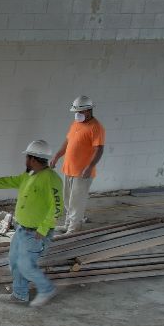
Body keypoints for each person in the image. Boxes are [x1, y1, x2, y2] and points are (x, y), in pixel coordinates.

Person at [0, 139, 64, 307]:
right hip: (22, 230)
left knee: (26, 266)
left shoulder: (51, 179)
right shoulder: (29, 175)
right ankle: (20, 294)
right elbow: (8, 181)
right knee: (14, 262)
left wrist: (44, 228)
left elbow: (57, 207)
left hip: (36, 233)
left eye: (27, 157)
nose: (25, 160)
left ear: (33, 159)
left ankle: (47, 289)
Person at [49, 95, 106, 234]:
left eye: (79, 112)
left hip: (82, 172)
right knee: (68, 200)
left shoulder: (96, 127)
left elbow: (99, 149)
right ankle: (68, 224)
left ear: (88, 110)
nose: (76, 114)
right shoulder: (76, 124)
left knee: (76, 202)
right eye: (75, 112)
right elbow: (68, 142)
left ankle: (74, 229)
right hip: (69, 169)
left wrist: (90, 166)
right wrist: (57, 156)